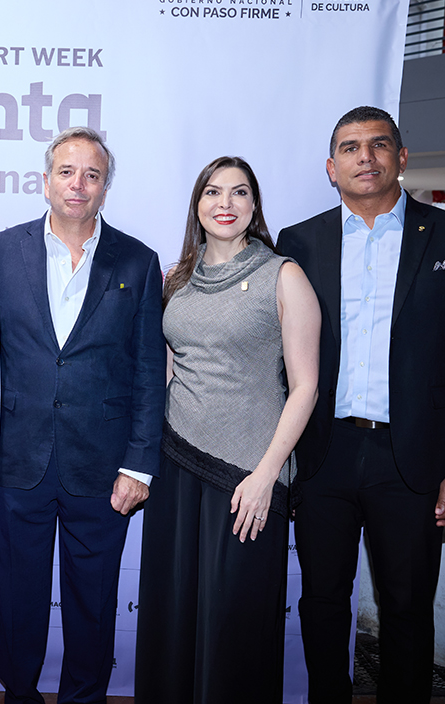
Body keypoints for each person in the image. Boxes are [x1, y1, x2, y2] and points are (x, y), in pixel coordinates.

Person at [275, 106, 445, 704]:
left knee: (406, 609)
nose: (365, 157)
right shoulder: (300, 242)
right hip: (323, 454)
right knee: (322, 601)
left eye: (378, 145)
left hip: (415, 459)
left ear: (401, 158)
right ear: (332, 168)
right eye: (350, 148)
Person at [0, 127, 167, 704]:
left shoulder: (138, 261)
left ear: (105, 188)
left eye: (92, 174)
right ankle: (20, 695)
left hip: (104, 467)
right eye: (66, 172)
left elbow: (148, 370)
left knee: (94, 602)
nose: (78, 184)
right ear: (45, 181)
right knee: (19, 600)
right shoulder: (2, 251)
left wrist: (139, 464)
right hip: (17, 460)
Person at [135, 156, 320, 703]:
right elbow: (170, 369)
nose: (225, 203)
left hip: (246, 476)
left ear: (254, 206)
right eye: (213, 192)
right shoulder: (178, 278)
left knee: (233, 620)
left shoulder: (283, 275)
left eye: (239, 192)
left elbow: (305, 387)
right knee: (174, 610)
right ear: (198, 204)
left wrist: (267, 475)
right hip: (175, 464)